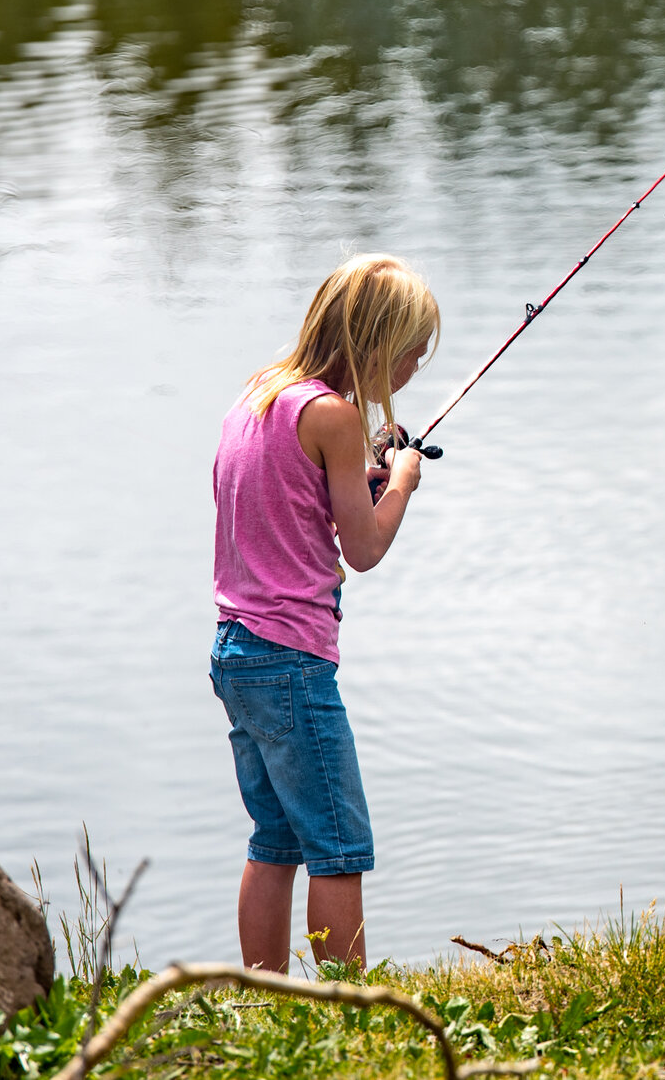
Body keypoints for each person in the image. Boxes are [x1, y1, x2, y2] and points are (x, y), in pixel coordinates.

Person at [208, 252, 440, 972]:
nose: (411, 373)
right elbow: (364, 548)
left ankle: (268, 992)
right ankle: (345, 1009)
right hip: (292, 661)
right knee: (338, 848)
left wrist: (355, 476)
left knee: (273, 842)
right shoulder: (336, 417)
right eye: (409, 357)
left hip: (235, 648)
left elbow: (287, 499)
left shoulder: (260, 394)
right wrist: (400, 480)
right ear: (374, 349)